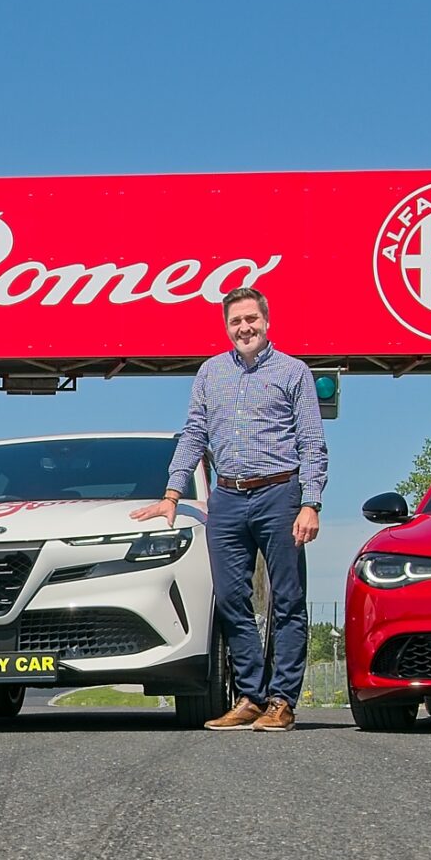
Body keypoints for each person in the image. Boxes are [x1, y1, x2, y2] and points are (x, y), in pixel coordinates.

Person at [131, 286, 327, 731]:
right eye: (236, 321)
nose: (245, 328)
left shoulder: (293, 372)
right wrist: (171, 494)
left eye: (251, 319)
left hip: (281, 494)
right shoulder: (210, 373)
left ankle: (283, 701)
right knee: (233, 599)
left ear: (266, 320)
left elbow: (312, 442)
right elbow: (194, 434)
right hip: (228, 498)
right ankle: (252, 697)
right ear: (226, 327)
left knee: (288, 600)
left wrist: (311, 502)